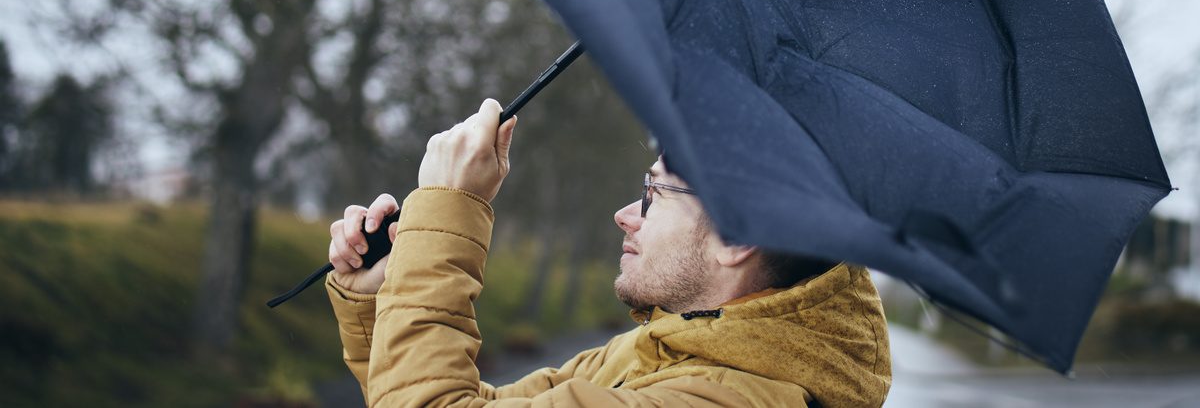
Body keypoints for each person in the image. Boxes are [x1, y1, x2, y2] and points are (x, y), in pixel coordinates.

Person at [326, 99, 892, 407]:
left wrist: (448, 209)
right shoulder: (662, 350)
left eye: (654, 194)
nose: (626, 214)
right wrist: (378, 303)